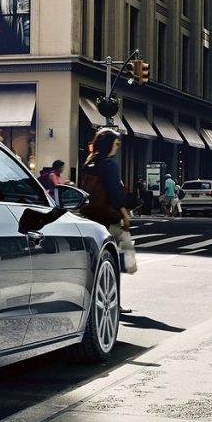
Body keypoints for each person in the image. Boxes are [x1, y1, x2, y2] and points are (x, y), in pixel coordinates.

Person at [80, 127, 132, 312]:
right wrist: (124, 214)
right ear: (110, 143)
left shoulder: (89, 162)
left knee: (99, 261)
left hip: (92, 217)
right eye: (116, 143)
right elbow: (115, 193)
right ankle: (114, 302)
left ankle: (97, 300)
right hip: (109, 217)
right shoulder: (110, 165)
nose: (117, 147)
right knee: (118, 260)